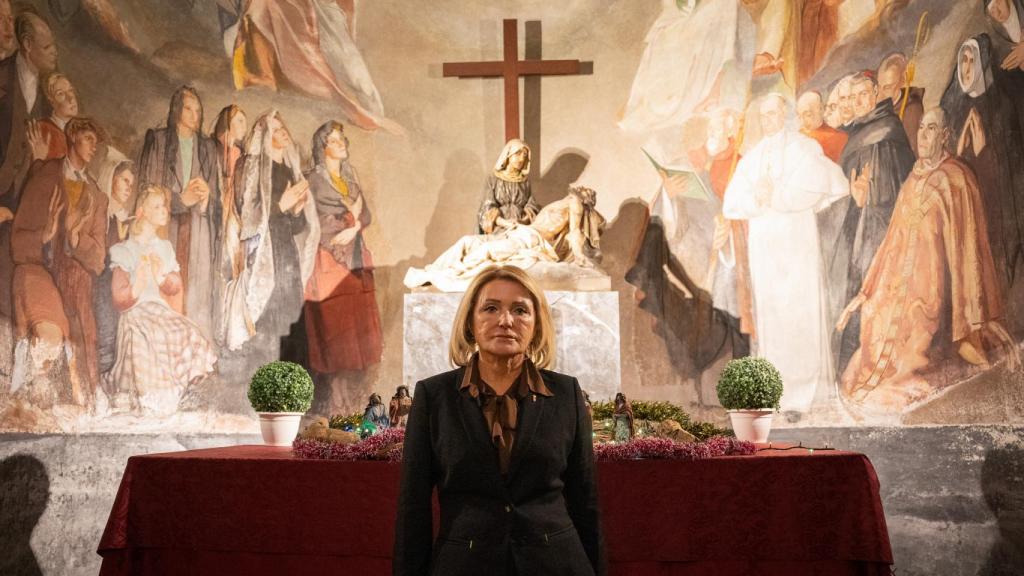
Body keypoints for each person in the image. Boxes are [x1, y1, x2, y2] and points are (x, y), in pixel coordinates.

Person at [393, 265, 604, 575]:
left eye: (520, 310)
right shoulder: (434, 396)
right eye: (491, 308)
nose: (505, 321)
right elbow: (413, 507)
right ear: (470, 322)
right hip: (464, 565)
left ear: (536, 324)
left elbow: (586, 501)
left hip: (556, 564)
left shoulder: (566, 393)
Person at [837, 108, 1018, 412]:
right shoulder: (912, 179)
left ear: (945, 136)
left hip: (934, 294)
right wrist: (866, 292)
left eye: (932, 129)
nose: (923, 134)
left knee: (914, 352)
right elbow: (890, 241)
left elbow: (968, 251)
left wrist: (971, 314)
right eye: (921, 127)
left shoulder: (956, 179)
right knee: (873, 318)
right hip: (897, 287)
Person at [723, 94, 849, 413]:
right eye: (764, 115)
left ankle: (803, 395)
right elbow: (733, 201)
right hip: (766, 246)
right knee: (773, 314)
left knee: (800, 313)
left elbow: (826, 186)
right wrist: (757, 199)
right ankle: (776, 392)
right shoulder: (752, 157)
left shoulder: (803, 149)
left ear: (785, 114)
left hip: (797, 243)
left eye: (775, 113)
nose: (769, 120)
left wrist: (776, 195)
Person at [829, 70, 916, 373]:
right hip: (859, 223)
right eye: (852, 98)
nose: (858, 101)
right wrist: (856, 200)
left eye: (864, 94)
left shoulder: (888, 129)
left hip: (883, 225)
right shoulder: (857, 133)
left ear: (877, 92)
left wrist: (872, 202)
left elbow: (901, 182)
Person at [107, 185, 217, 415]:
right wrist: (137, 286)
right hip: (136, 312)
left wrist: (161, 277)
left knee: (187, 333)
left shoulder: (164, 247)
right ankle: (151, 397)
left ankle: (176, 392)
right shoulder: (125, 250)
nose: (164, 210)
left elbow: (175, 285)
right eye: (156, 206)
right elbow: (119, 297)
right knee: (147, 335)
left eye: (164, 205)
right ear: (142, 212)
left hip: (159, 310)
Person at [940, 34, 1024, 296]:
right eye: (962, 60)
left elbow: (1013, 170)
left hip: (997, 208)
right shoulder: (951, 108)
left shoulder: (1001, 106)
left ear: (983, 63)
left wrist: (983, 153)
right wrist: (961, 151)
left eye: (971, 60)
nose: (965, 68)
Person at [230, 109, 319, 351]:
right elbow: (250, 215)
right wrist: (282, 204)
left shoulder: (291, 170)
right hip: (266, 250)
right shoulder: (257, 169)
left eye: (283, 128)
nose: (283, 133)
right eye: (276, 130)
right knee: (271, 305)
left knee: (291, 305)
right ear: (267, 136)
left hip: (286, 248)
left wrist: (297, 210)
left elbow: (298, 226)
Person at [138, 85, 221, 341]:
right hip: (165, 227)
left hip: (198, 227)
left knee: (195, 286)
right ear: (176, 110)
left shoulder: (208, 147)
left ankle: (193, 345)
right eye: (188, 108)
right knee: (164, 281)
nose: (194, 114)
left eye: (198, 110)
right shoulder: (159, 140)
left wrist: (207, 197)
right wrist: (178, 199)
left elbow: (218, 197)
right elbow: (146, 188)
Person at [405, 186, 605, 291]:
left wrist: (579, 256)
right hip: (521, 231)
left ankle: (453, 272)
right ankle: (435, 272)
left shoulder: (576, 205)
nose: (590, 193)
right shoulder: (567, 200)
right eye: (589, 191)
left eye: (591, 194)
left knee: (487, 251)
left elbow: (574, 233)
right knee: (468, 241)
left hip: (529, 240)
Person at [303, 120, 382, 374]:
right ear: (323, 147)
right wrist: (342, 228)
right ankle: (334, 396)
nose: (341, 145)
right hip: (329, 256)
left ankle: (355, 394)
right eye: (334, 141)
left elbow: (366, 214)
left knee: (356, 322)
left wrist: (354, 227)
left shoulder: (350, 177)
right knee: (335, 324)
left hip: (355, 252)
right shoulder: (313, 179)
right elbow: (312, 220)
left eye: (342, 140)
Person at [94, 155, 135, 378]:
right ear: (111, 179)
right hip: (101, 282)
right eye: (124, 180)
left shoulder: (128, 219)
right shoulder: (101, 213)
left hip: (122, 286)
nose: (129, 187)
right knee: (106, 332)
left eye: (131, 183)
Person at [478, 139, 539, 234]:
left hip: (521, 227)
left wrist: (522, 221)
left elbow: (532, 207)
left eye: (525, 155)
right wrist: (505, 223)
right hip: (498, 227)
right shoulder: (493, 179)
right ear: (508, 154)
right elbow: (487, 208)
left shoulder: (525, 182)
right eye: (518, 153)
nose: (522, 159)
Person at [876, 52, 925, 156]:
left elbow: (912, 152)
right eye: (879, 86)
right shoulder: (879, 105)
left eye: (887, 87)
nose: (880, 95)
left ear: (903, 81)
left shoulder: (911, 110)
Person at [27, 73, 79, 161]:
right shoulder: (41, 129)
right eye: (61, 94)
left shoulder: (83, 130)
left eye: (70, 90)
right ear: (51, 101)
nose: (71, 98)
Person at [798, 89, 848, 163]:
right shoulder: (797, 137)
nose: (802, 122)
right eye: (800, 116)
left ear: (821, 109)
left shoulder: (840, 138)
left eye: (808, 115)